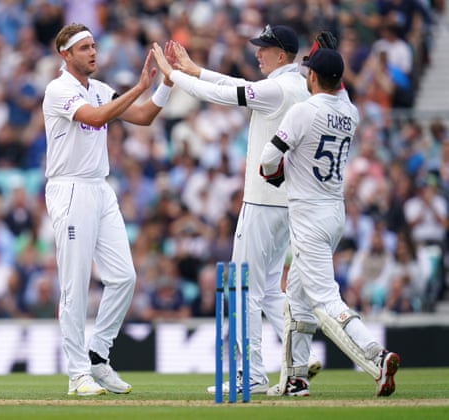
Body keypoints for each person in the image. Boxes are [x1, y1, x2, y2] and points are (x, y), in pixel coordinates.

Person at [151, 25, 320, 395]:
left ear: (281, 54)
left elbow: (224, 95)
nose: (257, 54)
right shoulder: (296, 86)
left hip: (261, 202)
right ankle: (299, 362)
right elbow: (235, 84)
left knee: (243, 291)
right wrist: (196, 71)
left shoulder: (277, 89)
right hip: (285, 204)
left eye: (264, 49)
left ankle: (252, 374)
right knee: (272, 291)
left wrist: (175, 75)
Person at [259, 48, 400, 397]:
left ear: (310, 77)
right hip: (335, 213)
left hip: (308, 214)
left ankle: (376, 356)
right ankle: (294, 378)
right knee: (296, 299)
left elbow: (267, 159)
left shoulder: (303, 111)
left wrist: (275, 175)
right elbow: (339, 88)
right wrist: (327, 55)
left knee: (323, 300)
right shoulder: (350, 112)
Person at [42, 23, 173, 396]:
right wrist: (137, 87)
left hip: (100, 188)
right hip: (69, 188)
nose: (93, 53)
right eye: (84, 48)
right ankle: (77, 374)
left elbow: (144, 116)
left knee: (124, 277)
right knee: (75, 284)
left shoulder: (99, 89)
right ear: (66, 55)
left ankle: (98, 356)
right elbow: (97, 118)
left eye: (94, 46)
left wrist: (168, 82)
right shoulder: (58, 89)